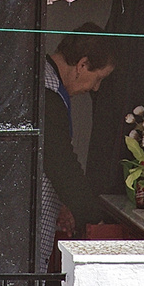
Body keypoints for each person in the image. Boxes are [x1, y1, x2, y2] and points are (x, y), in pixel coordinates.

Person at [37, 24, 117, 272]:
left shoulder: (43, 83)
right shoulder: (47, 93)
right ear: (82, 65)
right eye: (99, 78)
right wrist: (93, 217)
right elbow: (61, 165)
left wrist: (62, 204)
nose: (95, 88)